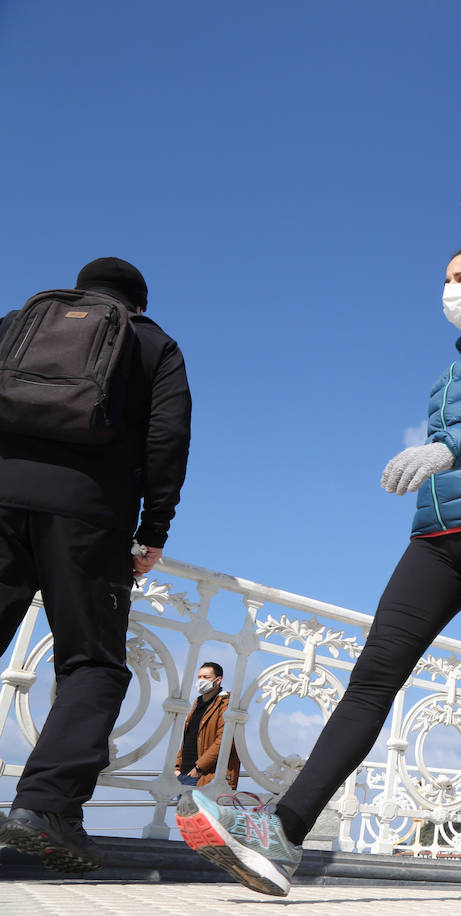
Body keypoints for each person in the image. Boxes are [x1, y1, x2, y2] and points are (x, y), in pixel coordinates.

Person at [176, 245, 461, 905]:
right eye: (445, 279)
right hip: (434, 539)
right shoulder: (455, 366)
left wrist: (448, 447)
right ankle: (284, 836)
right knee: (371, 679)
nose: (448, 289)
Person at [0, 258, 192, 874]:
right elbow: (168, 438)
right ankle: (46, 807)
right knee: (93, 663)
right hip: (88, 515)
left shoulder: (19, 323)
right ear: (138, 303)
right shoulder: (153, 344)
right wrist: (152, 530)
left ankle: (54, 809)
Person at [175, 662, 240, 789]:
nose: (201, 680)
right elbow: (187, 738)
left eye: (206, 677)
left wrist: (199, 768)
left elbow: (224, 740)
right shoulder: (197, 703)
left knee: (200, 809)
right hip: (183, 775)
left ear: (218, 680)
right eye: (199, 677)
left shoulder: (226, 704)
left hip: (204, 777)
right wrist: (177, 766)